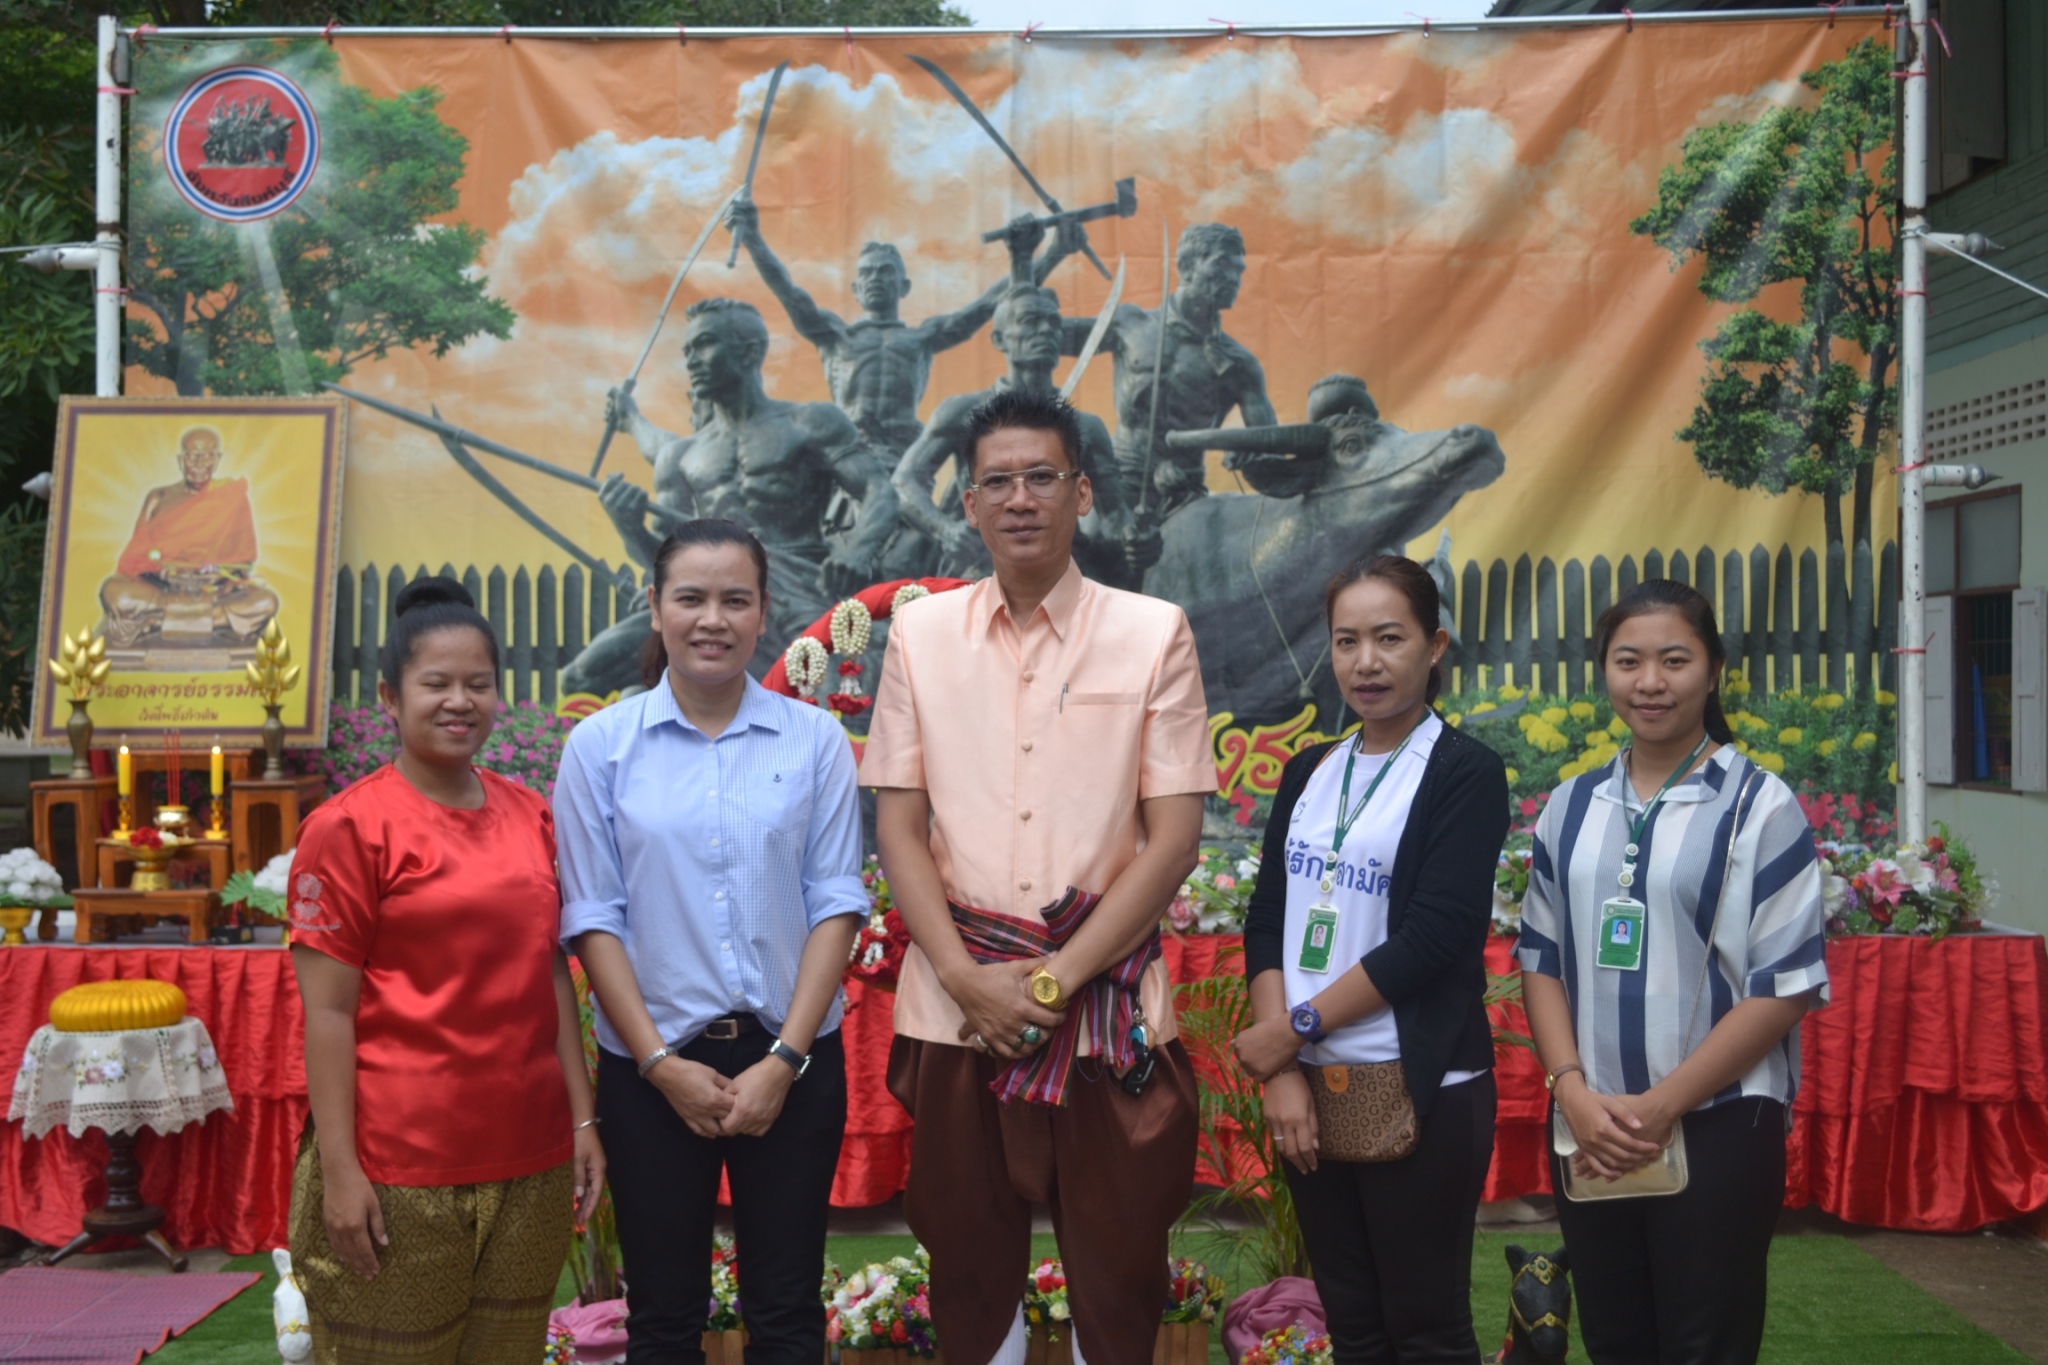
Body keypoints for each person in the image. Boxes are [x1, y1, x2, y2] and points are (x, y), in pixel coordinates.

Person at [863, 386, 1215, 1365]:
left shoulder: (1151, 632)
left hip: (1102, 1005)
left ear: (1081, 493)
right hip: (956, 1007)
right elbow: (898, 826)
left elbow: (1174, 840)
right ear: (969, 504)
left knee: (1119, 1268)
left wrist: (1055, 981)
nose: (1019, 499)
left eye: (1041, 477)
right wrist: (966, 979)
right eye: (997, 482)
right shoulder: (921, 637)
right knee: (967, 1269)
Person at [557, 518, 868, 1365]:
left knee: (787, 1310)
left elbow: (836, 902)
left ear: (763, 611)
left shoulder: (813, 740)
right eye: (690, 598)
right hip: (651, 1068)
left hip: (792, 1059)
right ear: (655, 606)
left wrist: (785, 1060)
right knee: (662, 1317)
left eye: (736, 599)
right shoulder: (600, 747)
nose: (712, 619)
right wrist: (660, 1064)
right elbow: (593, 917)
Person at [287, 578, 604, 1365]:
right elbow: (327, 1013)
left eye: (478, 684)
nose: (460, 702)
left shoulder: (530, 813)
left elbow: (551, 974)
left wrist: (582, 1120)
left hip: (530, 1161)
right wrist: (341, 1171)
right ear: (390, 698)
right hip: (400, 1167)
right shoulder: (348, 828)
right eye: (437, 683)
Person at [1517, 579, 1828, 1365]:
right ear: (1605, 670)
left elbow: (1783, 985)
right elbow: (1541, 958)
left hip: (1720, 1121)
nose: (1649, 681)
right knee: (1616, 1340)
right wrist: (1572, 1090)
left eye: (1674, 659)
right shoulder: (1571, 805)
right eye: (1628, 660)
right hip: (1591, 1122)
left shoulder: (1761, 806)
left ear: (1714, 669)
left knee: (1704, 1343)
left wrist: (1660, 1108)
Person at [1232, 554, 1509, 1364]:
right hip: (1310, 1087)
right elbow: (1268, 919)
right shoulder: (1308, 770)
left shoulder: (1464, 771)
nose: (1366, 662)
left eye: (1390, 638)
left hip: (1420, 1088)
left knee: (1425, 1330)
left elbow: (1436, 937)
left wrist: (1294, 1028)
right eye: (1347, 640)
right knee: (1352, 1326)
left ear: (1435, 645)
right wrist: (1283, 1064)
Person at [568, 297, 901, 692]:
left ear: (749, 352)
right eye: (688, 351)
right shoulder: (681, 456)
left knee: (827, 694)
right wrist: (630, 527)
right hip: (712, 595)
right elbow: (665, 559)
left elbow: (879, 490)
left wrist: (856, 552)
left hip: (796, 586)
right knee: (582, 676)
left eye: (705, 345)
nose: (692, 360)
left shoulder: (809, 423)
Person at [891, 284, 1148, 588]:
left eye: (1053, 323)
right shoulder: (962, 412)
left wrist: (1133, 538)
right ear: (1000, 339)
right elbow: (905, 480)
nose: (1046, 330)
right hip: (983, 566)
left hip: (1064, 570)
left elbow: (1113, 514)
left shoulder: (1087, 426)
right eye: (1030, 321)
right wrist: (945, 530)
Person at [1059, 223, 1276, 518]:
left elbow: (1269, 448)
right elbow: (1044, 333)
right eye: (1222, 264)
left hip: (1185, 495)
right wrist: (1048, 254)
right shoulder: (1130, 325)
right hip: (1119, 487)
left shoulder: (1239, 364)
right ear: (1186, 266)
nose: (1233, 278)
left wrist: (1247, 450)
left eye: (1238, 270)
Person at [100, 425, 279, 649]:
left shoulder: (231, 497)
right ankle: (208, 621)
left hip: (212, 592)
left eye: (206, 456)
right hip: (162, 590)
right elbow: (137, 556)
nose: (199, 464)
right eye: (192, 456)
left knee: (266, 602)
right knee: (114, 591)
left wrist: (217, 576)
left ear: (217, 459)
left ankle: (159, 622)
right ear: (180, 460)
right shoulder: (159, 497)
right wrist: (165, 574)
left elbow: (243, 560)